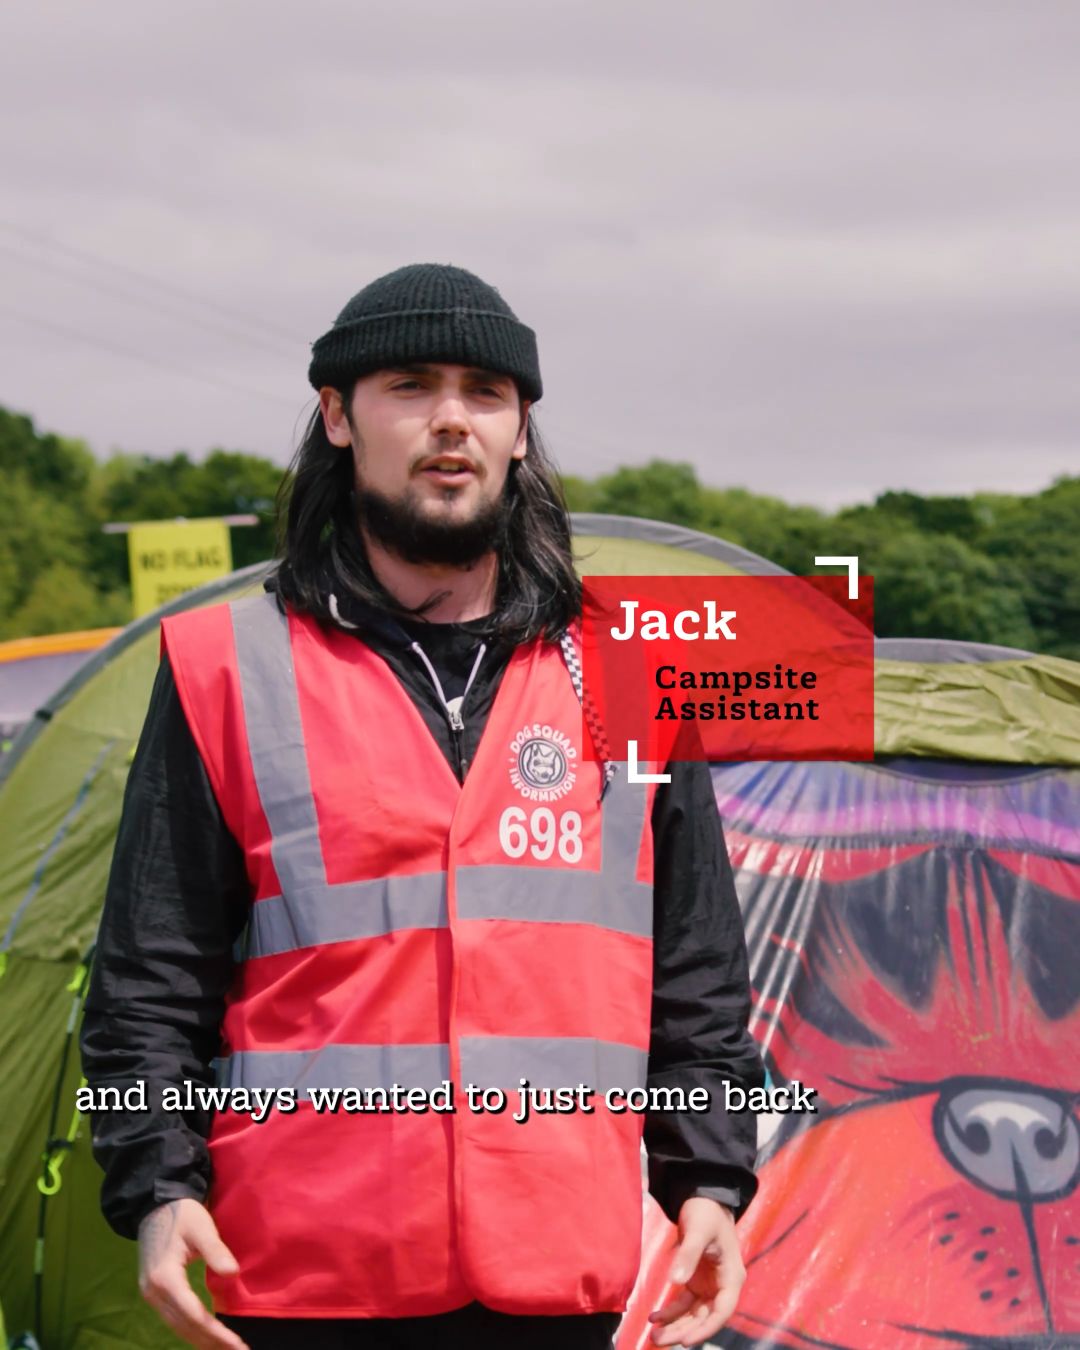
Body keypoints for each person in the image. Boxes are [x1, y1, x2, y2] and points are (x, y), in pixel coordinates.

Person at [80, 263, 766, 1350]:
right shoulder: (226, 665)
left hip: (561, 1275)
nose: (452, 419)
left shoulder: (633, 669)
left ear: (521, 430)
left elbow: (697, 976)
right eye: (410, 385)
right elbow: (144, 984)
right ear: (338, 416)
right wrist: (157, 1186)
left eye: (485, 393)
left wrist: (714, 1179)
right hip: (306, 1277)